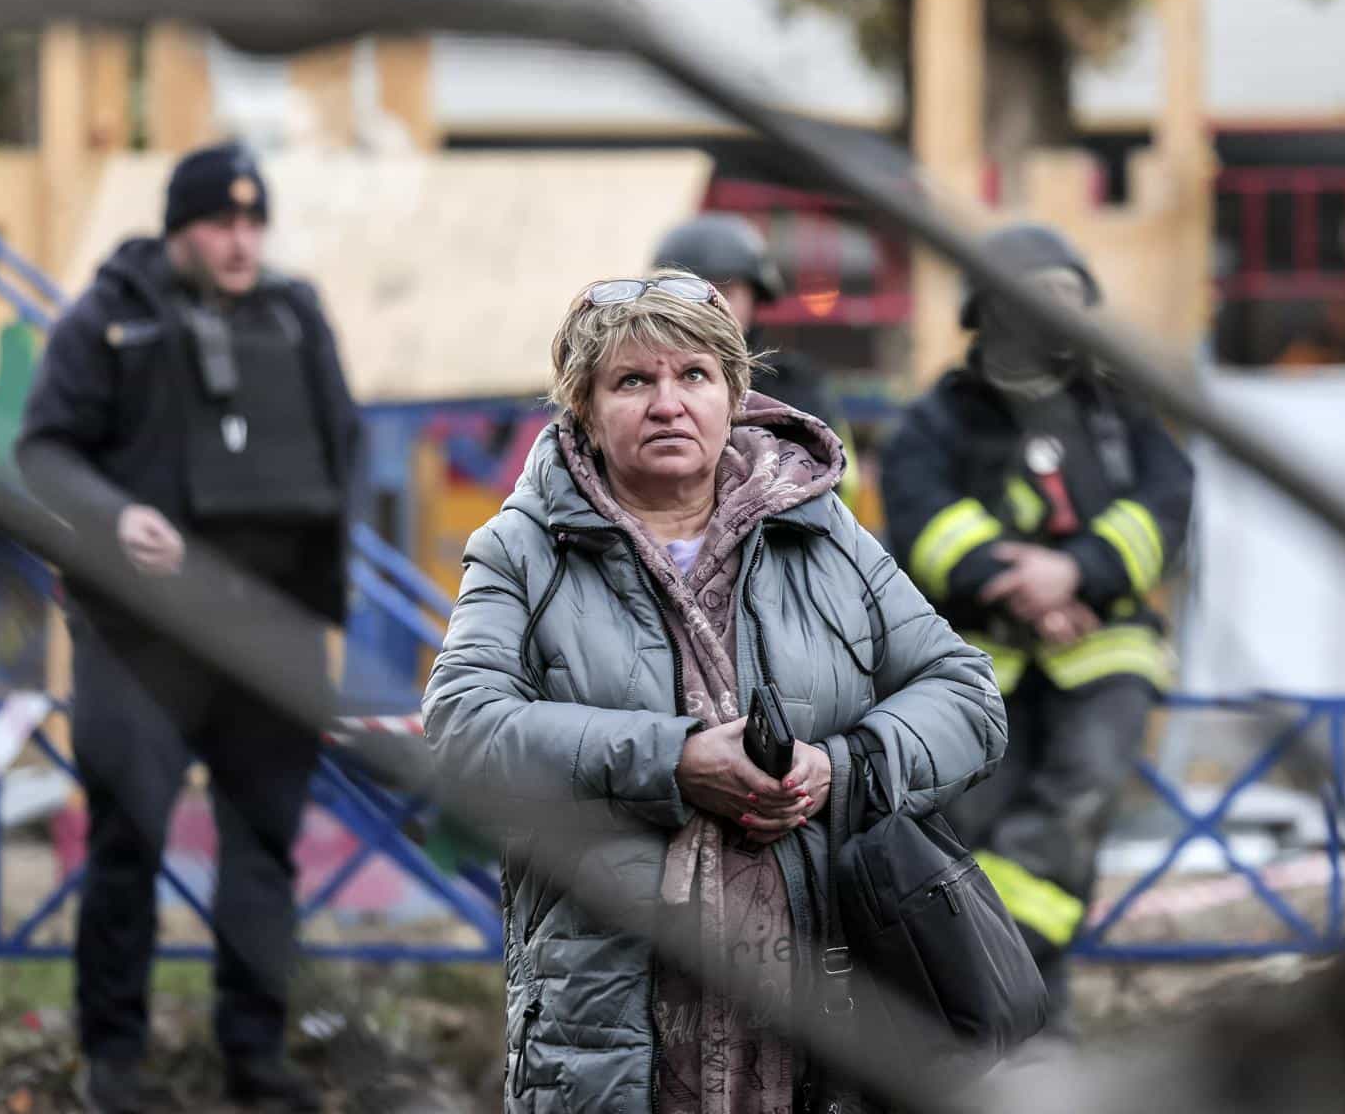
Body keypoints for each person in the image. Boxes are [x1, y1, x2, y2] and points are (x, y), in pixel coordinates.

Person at [423, 271, 1005, 1113]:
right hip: (610, 1017)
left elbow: (965, 694)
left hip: (826, 998)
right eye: (633, 380)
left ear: (734, 393)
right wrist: (674, 760)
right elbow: (462, 729)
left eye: (693, 375)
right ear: (582, 405)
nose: (668, 403)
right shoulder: (524, 549)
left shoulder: (818, 530)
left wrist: (843, 768)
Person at [16, 143, 359, 1113]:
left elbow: (344, 440)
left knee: (264, 846)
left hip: (271, 630)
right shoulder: (110, 317)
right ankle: (113, 1060)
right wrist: (117, 518)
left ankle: (255, 1053)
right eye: (220, 222)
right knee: (127, 841)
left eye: (254, 222)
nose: (241, 239)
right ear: (180, 227)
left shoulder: (296, 318)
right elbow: (43, 449)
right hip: (141, 638)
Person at [880, 223, 1193, 1029]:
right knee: (961, 823)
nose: (1061, 317)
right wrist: (1022, 586)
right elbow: (922, 520)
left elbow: (1165, 506)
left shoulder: (1121, 415)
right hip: (976, 655)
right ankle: (990, 998)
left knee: (1077, 801)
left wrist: (1077, 572)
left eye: (1071, 300)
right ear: (988, 310)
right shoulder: (939, 419)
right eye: (1039, 298)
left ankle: (1007, 979)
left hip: (1104, 649)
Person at [654, 214, 862, 499]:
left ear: (755, 300)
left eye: (724, 291)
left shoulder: (795, 389)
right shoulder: (637, 388)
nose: (706, 307)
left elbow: (833, 485)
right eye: (688, 293)